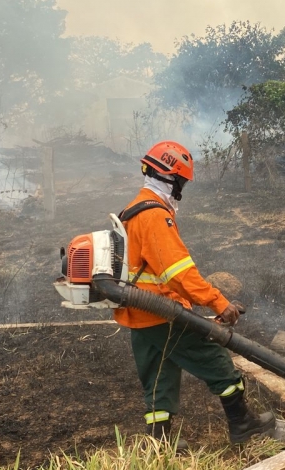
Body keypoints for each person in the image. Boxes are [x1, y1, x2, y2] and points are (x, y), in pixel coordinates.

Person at [114, 140, 276, 448]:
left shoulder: (133, 209)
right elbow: (179, 274)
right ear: (172, 178)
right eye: (182, 181)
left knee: (159, 377)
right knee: (217, 363)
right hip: (163, 313)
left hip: (139, 315)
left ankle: (159, 444)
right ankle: (242, 424)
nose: (182, 188)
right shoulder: (153, 216)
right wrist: (218, 302)